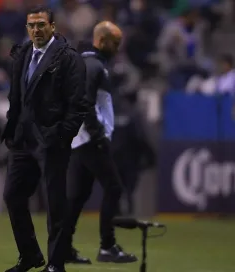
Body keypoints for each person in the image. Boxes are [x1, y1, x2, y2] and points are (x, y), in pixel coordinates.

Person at [1, 6, 88, 272]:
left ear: (53, 26)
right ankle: (30, 255)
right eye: (31, 26)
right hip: (23, 140)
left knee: (55, 203)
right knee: (13, 196)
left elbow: (78, 105)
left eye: (41, 25)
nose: (36, 30)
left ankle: (56, 265)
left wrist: (61, 137)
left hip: (51, 141)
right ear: (26, 28)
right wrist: (13, 126)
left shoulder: (68, 58)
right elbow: (17, 96)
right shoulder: (23, 54)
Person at [63, 21, 138, 264]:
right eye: (114, 43)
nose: (117, 48)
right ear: (102, 40)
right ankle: (107, 246)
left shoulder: (87, 63)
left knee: (78, 196)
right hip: (89, 139)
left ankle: (62, 247)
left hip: (79, 139)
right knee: (114, 188)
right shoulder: (94, 65)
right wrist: (96, 133)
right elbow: (84, 102)